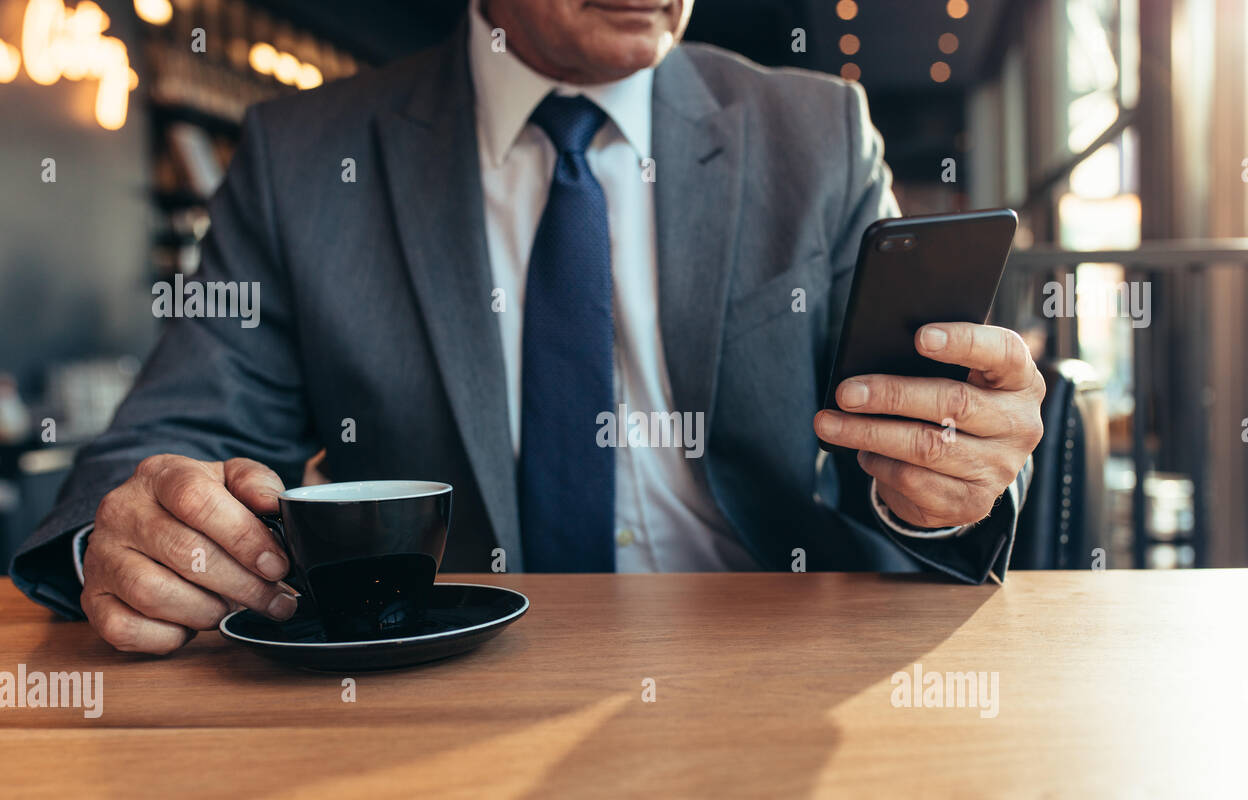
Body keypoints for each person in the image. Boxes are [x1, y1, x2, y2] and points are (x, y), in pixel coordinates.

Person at [10, 0, 1043, 654]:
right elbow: (160, 443)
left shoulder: (816, 133)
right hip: (432, 675)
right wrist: (138, 526)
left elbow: (917, 446)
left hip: (771, 657)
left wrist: (943, 487)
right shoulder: (305, 154)